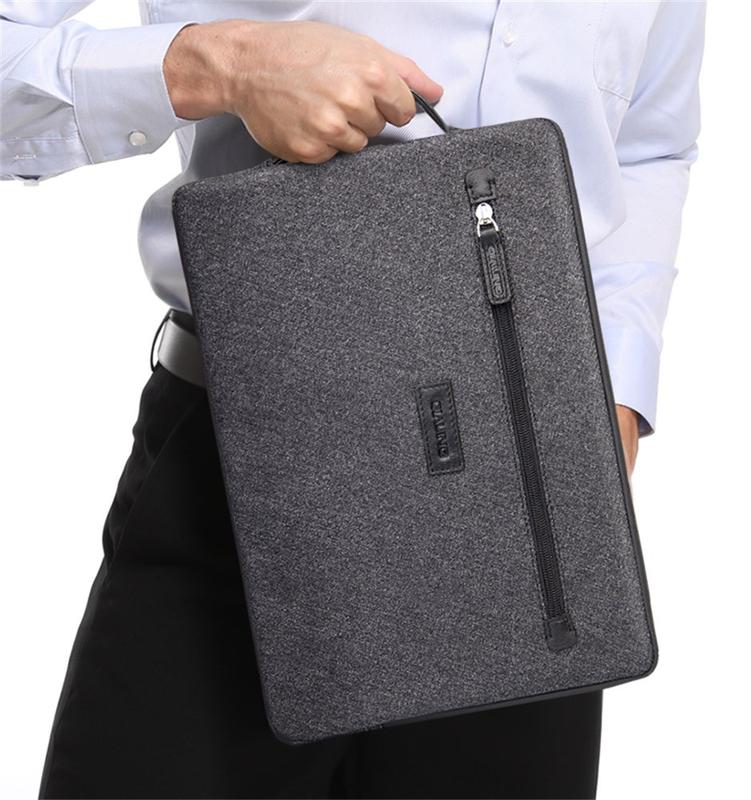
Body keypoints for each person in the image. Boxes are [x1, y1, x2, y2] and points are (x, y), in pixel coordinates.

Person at [1, 2, 705, 798]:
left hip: (536, 510)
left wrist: (618, 393)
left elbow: (651, 145)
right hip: (249, 472)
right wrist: (226, 62)